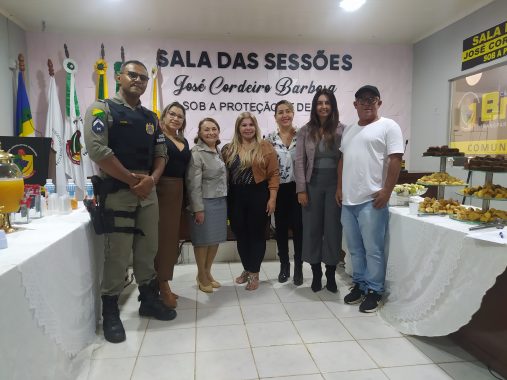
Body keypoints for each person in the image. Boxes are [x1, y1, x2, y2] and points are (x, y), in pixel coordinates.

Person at [84, 60, 176, 344]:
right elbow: (97, 150)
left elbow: (162, 152)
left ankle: (148, 300)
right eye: (132, 75)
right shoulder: (101, 109)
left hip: (147, 192)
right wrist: (131, 180)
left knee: (148, 249)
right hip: (118, 192)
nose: (138, 80)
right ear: (118, 77)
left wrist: (152, 179)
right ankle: (110, 312)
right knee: (118, 254)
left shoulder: (151, 117)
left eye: (143, 77)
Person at [337, 85, 404, 313]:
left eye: (372, 99)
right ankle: (360, 284)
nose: (367, 103)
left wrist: (387, 191)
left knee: (373, 249)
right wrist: (339, 188)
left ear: (379, 103)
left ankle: (375, 291)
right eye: (362, 100)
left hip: (372, 200)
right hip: (348, 201)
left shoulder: (388, 127)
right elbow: (343, 161)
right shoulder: (349, 130)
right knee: (354, 249)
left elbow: (396, 160)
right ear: (355, 104)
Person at [223, 112, 280, 291]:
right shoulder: (228, 149)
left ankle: (255, 272)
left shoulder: (265, 147)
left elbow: (274, 175)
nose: (248, 128)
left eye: (251, 125)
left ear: (255, 127)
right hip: (236, 197)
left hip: (258, 195)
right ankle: (247, 269)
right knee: (240, 234)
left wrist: (272, 198)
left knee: (256, 235)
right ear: (238, 128)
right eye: (244, 125)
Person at [295, 88, 344, 293]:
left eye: (327, 103)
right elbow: (299, 161)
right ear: (314, 107)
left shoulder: (343, 130)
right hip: (311, 184)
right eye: (319, 103)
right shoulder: (305, 131)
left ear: (332, 106)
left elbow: (344, 160)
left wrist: (341, 187)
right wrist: (301, 190)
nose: (323, 106)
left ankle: (331, 274)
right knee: (312, 229)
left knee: (333, 230)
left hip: (334, 185)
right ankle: (316, 274)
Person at [155, 102, 191, 308]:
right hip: (159, 191)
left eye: (180, 116)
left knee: (170, 240)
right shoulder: (156, 136)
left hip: (178, 192)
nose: (176, 118)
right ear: (164, 115)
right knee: (159, 241)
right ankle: (161, 285)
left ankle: (163, 281)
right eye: (172, 114)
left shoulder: (182, 140)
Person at [186, 118, 228, 293]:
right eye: (206, 130)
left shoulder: (217, 150)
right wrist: (198, 208)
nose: (211, 132)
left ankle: (207, 272)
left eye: (214, 129)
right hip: (205, 202)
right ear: (200, 133)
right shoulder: (196, 153)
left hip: (220, 200)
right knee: (202, 241)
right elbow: (193, 184)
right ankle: (201, 276)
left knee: (215, 239)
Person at [266, 100, 303, 285]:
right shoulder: (269, 139)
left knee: (299, 230)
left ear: (293, 113)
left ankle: (298, 268)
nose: (284, 115)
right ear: (275, 117)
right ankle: (284, 266)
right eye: (280, 112)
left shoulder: (303, 136)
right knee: (280, 231)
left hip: (298, 190)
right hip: (278, 190)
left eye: (288, 111)